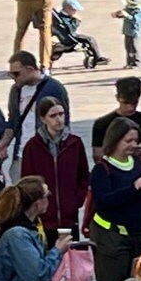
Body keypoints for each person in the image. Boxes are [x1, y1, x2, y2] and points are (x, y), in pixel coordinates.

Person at [89, 118, 141, 281]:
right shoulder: (102, 169)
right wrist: (133, 187)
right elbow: (104, 202)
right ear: (115, 140)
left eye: (136, 140)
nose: (133, 145)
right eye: (128, 141)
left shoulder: (140, 163)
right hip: (112, 239)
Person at [21, 95, 88, 235]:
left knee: (71, 254)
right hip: (43, 218)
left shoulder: (75, 143)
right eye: (53, 116)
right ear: (43, 119)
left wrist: (76, 200)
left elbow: (83, 175)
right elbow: (27, 182)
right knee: (46, 253)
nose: (58, 119)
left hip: (69, 217)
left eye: (61, 114)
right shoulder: (32, 147)